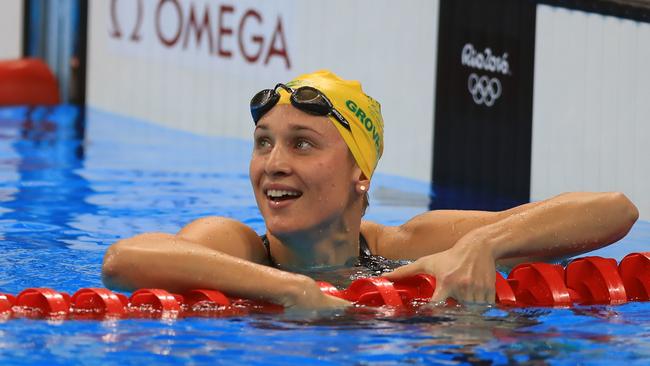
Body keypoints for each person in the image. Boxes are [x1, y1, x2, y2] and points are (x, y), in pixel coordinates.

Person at [101, 70, 639, 309]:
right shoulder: (236, 245)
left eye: (302, 145)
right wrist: (288, 288)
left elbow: (615, 210)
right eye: (263, 143)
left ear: (362, 173)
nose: (274, 165)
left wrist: (486, 245)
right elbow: (124, 260)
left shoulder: (405, 245)